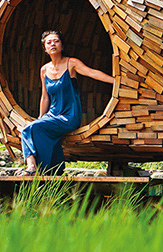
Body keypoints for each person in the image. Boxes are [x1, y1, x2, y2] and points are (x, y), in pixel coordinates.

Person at [17, 30, 116, 175]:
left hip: (69, 116)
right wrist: (41, 118)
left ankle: (32, 167)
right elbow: (45, 97)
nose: (53, 44)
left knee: (29, 129)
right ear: (45, 49)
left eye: (56, 41)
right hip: (52, 115)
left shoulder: (71, 63)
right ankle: (48, 169)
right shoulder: (44, 69)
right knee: (31, 128)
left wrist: (116, 82)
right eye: (49, 42)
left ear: (62, 46)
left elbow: (92, 73)